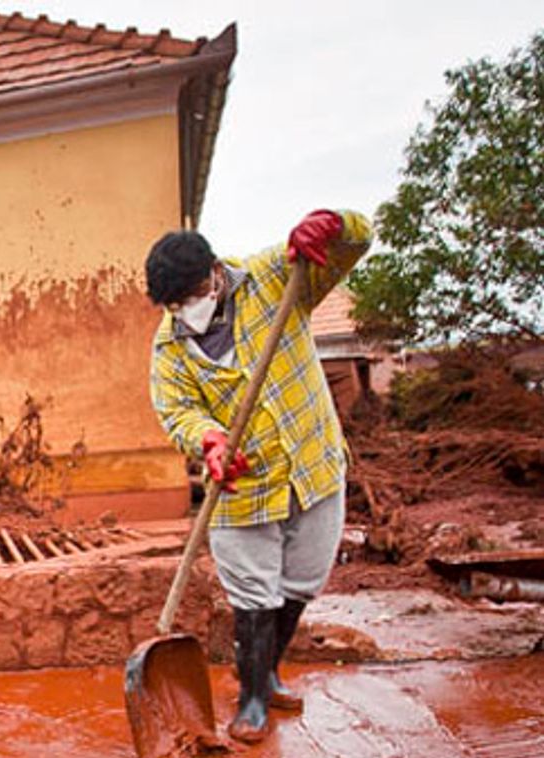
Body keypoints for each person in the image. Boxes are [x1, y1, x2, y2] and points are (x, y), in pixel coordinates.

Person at [145, 209, 373, 742]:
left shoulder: (276, 276)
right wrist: (210, 440)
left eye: (191, 297)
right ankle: (250, 698)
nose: (185, 312)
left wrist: (336, 225)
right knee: (251, 593)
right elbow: (177, 411)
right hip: (240, 482)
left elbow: (355, 244)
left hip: (311, 463)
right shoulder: (170, 348)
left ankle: (267, 672)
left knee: (302, 581)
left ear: (214, 274)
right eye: (174, 306)